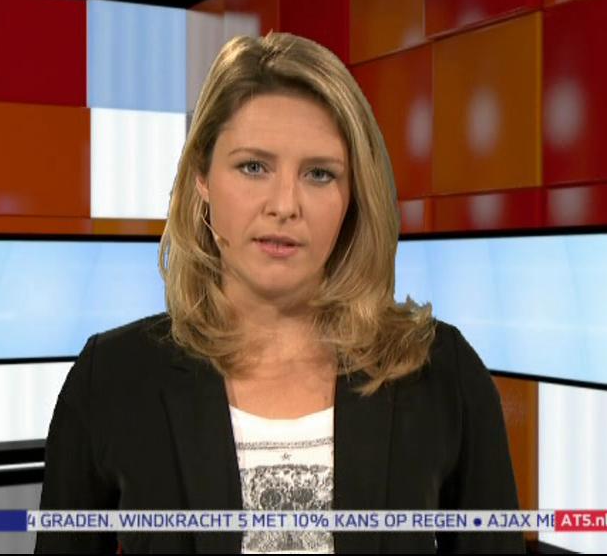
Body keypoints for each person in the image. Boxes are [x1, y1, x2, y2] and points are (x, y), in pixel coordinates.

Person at [36, 32, 524, 554]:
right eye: (253, 167)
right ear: (201, 176)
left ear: (354, 196)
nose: (285, 205)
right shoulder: (112, 377)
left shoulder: (441, 372)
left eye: (319, 174)